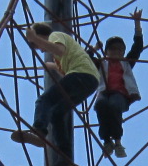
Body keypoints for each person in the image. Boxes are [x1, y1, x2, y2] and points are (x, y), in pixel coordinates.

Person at [11, 21, 101, 154]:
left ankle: (39, 131)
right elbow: (64, 67)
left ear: (42, 35)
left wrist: (34, 38)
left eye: (37, 45)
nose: (41, 49)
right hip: (89, 82)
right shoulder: (59, 56)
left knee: (44, 100)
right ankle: (64, 156)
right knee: (57, 114)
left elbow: (59, 50)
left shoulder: (55, 35)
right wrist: (51, 65)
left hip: (81, 74)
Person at [95, 9, 144, 159]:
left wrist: (137, 24)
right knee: (101, 105)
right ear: (107, 51)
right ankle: (107, 140)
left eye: (120, 50)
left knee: (114, 105)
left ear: (123, 52)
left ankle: (117, 140)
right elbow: (85, 60)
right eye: (112, 49)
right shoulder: (102, 63)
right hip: (104, 92)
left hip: (121, 95)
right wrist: (94, 49)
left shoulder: (126, 63)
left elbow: (137, 47)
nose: (116, 52)